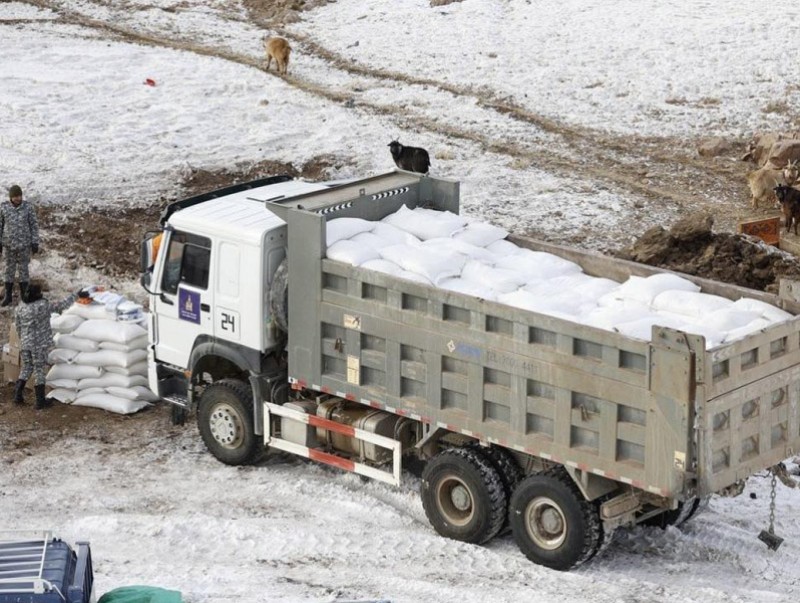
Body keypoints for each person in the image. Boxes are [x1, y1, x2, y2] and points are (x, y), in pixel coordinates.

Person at [13, 285, 87, 410]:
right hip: (38, 344)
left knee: (27, 367)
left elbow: (18, 326)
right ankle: (40, 401)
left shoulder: (20, 307)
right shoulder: (42, 305)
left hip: (25, 343)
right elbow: (60, 305)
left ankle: (17, 395)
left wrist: (24, 339)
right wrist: (76, 294)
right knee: (39, 370)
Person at [0, 185, 40, 307]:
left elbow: (34, 225)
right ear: (11, 197)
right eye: (15, 196)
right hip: (8, 245)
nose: (18, 198)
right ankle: (8, 296)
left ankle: (24, 295)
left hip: (24, 245)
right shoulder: (4, 208)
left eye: (20, 195)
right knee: (9, 270)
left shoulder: (28, 207)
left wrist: (35, 242)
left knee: (24, 270)